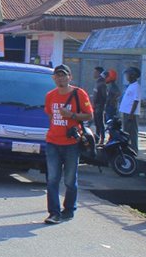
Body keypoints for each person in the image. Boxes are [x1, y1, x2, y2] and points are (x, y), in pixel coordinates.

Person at [43, 64, 93, 224]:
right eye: (57, 76)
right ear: (54, 78)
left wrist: (71, 115)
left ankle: (69, 209)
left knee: (70, 180)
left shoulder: (79, 94)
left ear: (70, 77)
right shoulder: (50, 95)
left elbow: (89, 115)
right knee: (52, 179)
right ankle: (54, 213)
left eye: (63, 75)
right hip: (52, 142)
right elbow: (50, 116)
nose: (61, 78)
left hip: (72, 144)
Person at [120, 66, 141, 153]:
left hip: (131, 114)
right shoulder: (131, 86)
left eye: (128, 74)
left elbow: (136, 101)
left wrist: (131, 114)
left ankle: (134, 150)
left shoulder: (136, 86)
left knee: (132, 133)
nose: (126, 76)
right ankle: (127, 149)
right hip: (126, 112)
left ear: (133, 75)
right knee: (126, 132)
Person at [92, 66, 108, 143]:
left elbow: (104, 97)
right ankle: (97, 137)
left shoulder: (102, 84)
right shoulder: (97, 83)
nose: (94, 74)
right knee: (96, 123)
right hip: (95, 107)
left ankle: (102, 138)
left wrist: (101, 106)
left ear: (99, 73)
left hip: (99, 107)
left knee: (100, 123)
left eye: (95, 72)